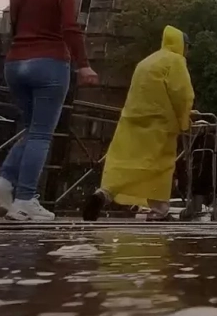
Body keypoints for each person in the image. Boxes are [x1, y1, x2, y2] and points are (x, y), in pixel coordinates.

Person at [0, 0, 98, 222]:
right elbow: (70, 28)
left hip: (15, 62)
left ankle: (4, 181)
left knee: (31, 128)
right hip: (49, 62)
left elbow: (15, 24)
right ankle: (25, 198)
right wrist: (84, 65)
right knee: (42, 133)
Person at [82, 26, 194, 222]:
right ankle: (159, 212)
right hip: (159, 124)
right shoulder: (175, 61)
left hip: (132, 121)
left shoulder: (147, 61)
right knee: (159, 168)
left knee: (127, 164)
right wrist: (185, 120)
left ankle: (104, 194)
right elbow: (181, 94)